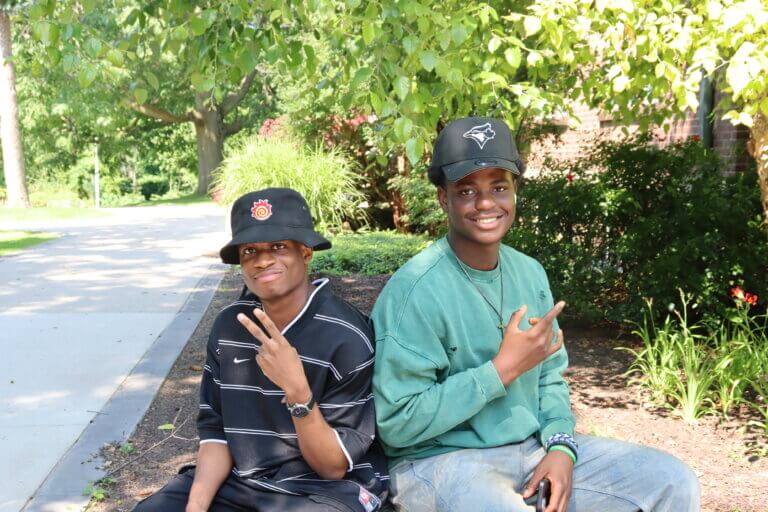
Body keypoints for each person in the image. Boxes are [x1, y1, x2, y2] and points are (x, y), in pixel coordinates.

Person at [370, 117, 700, 512]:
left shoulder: (529, 272)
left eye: (498, 186)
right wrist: (500, 370)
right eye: (466, 190)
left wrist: (562, 445)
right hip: (440, 461)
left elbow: (550, 379)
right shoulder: (414, 292)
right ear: (444, 198)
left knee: (670, 480)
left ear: (515, 192)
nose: (486, 202)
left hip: (531, 449)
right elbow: (396, 425)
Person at [135, 188, 388, 512]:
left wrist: (297, 391)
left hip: (322, 491)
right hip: (244, 481)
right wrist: (195, 507)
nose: (263, 260)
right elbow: (216, 431)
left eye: (278, 247)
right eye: (250, 250)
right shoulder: (229, 326)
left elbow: (332, 467)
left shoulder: (346, 335)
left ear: (306, 252)